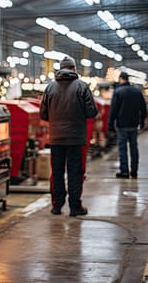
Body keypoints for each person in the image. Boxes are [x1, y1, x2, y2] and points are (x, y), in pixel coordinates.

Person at [39, 55, 98, 216]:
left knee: (57, 172)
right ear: (73, 69)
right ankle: (74, 207)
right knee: (75, 172)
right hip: (76, 138)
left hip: (56, 139)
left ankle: (57, 206)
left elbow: (43, 114)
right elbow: (92, 111)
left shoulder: (50, 88)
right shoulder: (82, 86)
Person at [108, 72, 147, 179]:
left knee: (122, 148)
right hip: (134, 124)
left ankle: (124, 171)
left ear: (121, 79)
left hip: (122, 125)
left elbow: (113, 110)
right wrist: (142, 121)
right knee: (134, 147)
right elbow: (143, 108)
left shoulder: (118, 91)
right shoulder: (137, 91)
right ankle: (134, 171)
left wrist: (110, 124)